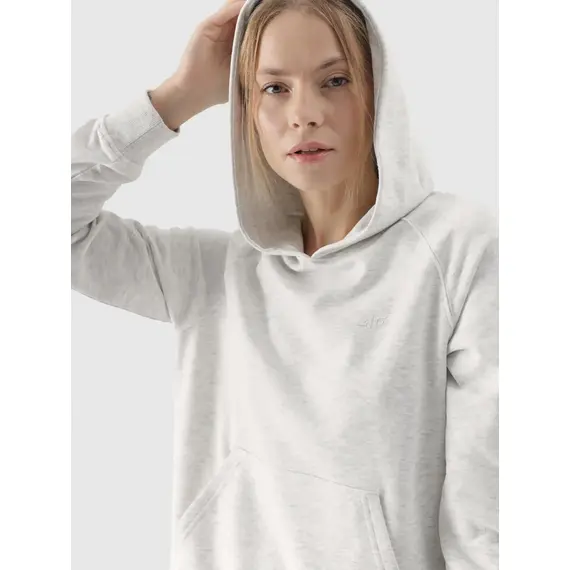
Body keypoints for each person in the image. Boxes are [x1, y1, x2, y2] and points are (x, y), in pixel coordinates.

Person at [71, 0, 499, 568]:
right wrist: (177, 97)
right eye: (274, 88)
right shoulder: (215, 275)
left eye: (335, 80)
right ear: (247, 109)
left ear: (378, 90)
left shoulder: (459, 249)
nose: (304, 114)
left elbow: (489, 511)